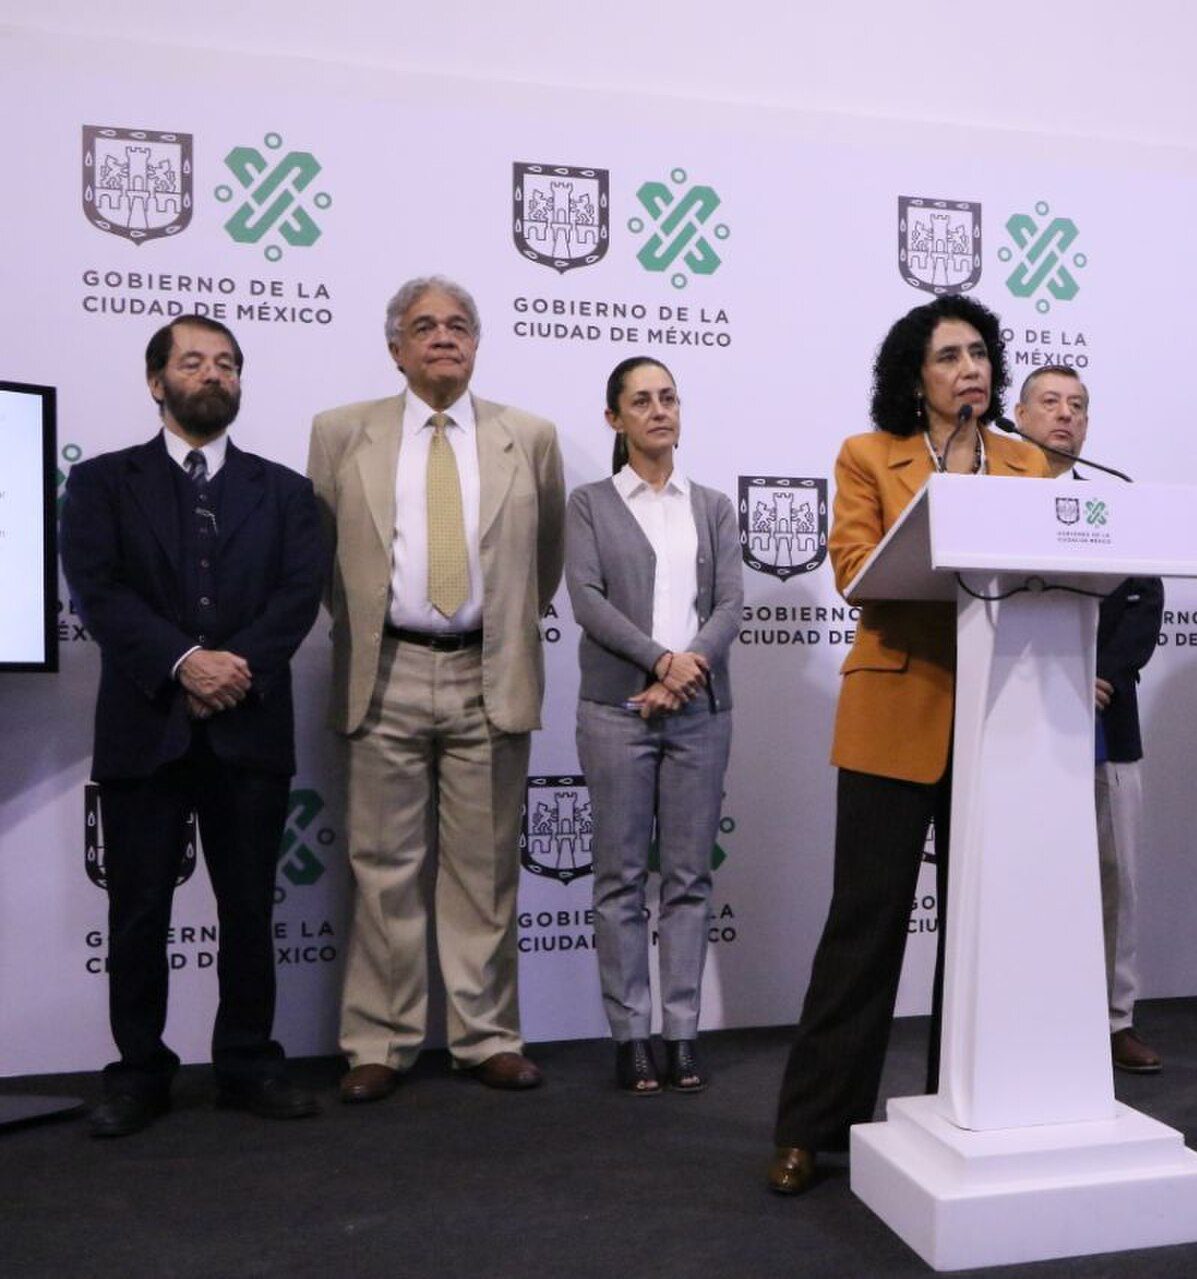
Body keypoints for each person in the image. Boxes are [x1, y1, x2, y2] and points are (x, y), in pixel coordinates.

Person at [767, 295, 1046, 1195]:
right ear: (915, 377)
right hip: (894, 711)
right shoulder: (868, 455)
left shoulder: (1028, 460)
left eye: (980, 353)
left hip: (1001, 719)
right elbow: (856, 569)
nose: (970, 369)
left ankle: (965, 1108)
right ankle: (813, 1128)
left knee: (985, 934)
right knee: (866, 925)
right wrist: (950, 501)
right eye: (949, 356)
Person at [61, 316, 327, 1136]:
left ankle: (247, 1060)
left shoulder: (286, 493)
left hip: (249, 725)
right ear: (156, 382)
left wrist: (232, 667)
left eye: (227, 364)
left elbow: (298, 595)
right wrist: (184, 662)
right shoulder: (101, 483)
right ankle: (139, 1072)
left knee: (248, 907)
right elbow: (99, 590)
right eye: (194, 362)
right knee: (139, 910)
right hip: (145, 727)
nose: (213, 374)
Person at [307, 276, 567, 1101]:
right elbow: (324, 561)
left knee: (484, 871)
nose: (443, 338)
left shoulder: (530, 437)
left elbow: (544, 560)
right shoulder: (341, 432)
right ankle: (380, 1040)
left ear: (477, 344)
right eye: (424, 327)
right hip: (384, 670)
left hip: (488, 670)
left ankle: (486, 1036)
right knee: (382, 867)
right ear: (397, 349)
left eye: (458, 326)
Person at [567, 356, 742, 1095]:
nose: (659, 410)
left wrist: (686, 669)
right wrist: (660, 662)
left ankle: (681, 1034)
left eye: (668, 397)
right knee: (619, 880)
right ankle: (630, 1037)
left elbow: (729, 604)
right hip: (617, 711)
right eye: (640, 401)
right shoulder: (589, 504)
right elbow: (587, 600)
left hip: (700, 713)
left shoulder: (713, 506)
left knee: (689, 879)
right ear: (615, 418)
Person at [1013, 364, 1166, 1074]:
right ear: (1018, 416)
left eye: (1077, 405)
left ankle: (1114, 1018)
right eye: (1050, 402)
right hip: (1011, 719)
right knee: (1019, 873)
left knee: (1114, 874)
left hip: (1107, 717)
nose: (1065, 416)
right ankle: (1023, 1013)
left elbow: (1144, 603)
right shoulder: (987, 498)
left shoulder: (1115, 505)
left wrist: (1097, 675)